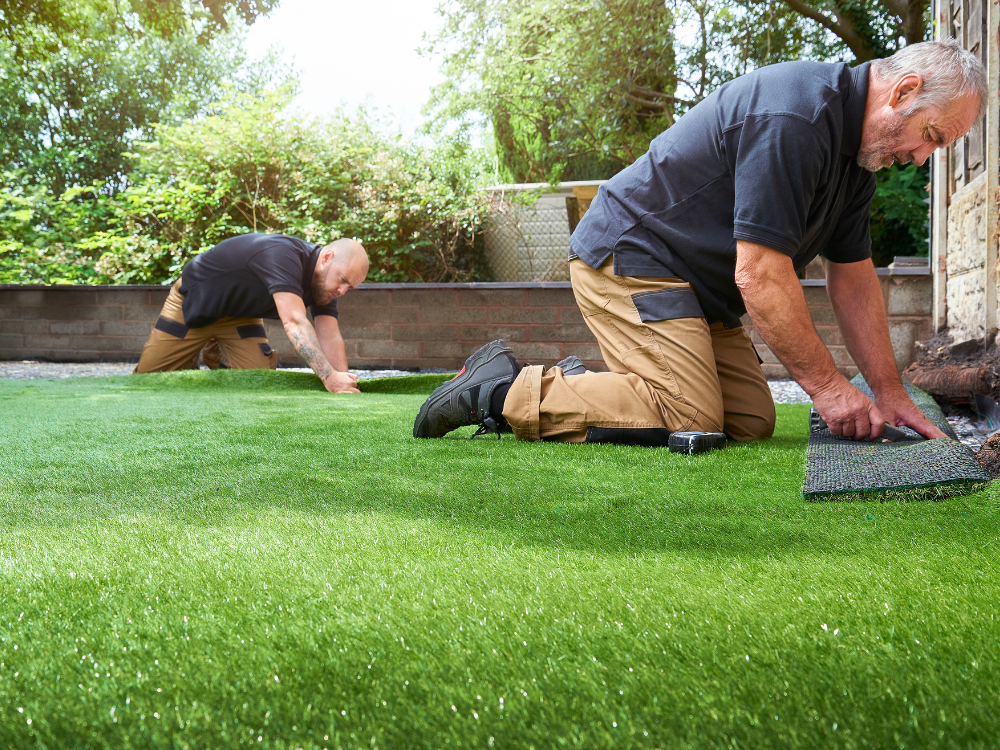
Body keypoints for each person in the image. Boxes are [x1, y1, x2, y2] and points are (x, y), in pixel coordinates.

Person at [414, 40, 986, 444]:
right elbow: (760, 274)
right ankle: (499, 389)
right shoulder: (797, 115)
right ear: (903, 90)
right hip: (633, 256)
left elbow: (854, 277)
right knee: (692, 413)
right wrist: (830, 389)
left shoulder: (856, 165)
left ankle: (589, 386)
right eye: (930, 136)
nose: (920, 156)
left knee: (748, 418)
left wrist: (888, 391)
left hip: (696, 291)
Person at [135, 233, 369, 394]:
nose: (343, 291)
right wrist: (327, 376)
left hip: (240, 315)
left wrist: (343, 381)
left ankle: (214, 351)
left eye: (350, 287)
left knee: (259, 381)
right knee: (147, 381)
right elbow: (295, 322)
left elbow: (329, 334)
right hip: (194, 303)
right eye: (343, 281)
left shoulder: (327, 287)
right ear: (327, 257)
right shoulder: (284, 255)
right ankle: (205, 347)